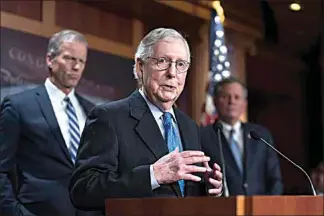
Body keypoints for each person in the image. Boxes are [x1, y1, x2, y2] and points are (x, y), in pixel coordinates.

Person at [69, 28, 223, 212]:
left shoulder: (189, 126)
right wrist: (153, 175)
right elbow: (83, 190)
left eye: (181, 64)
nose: (172, 73)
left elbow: (182, 193)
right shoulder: (109, 117)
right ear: (140, 67)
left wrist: (209, 189)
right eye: (163, 61)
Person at [0, 30, 99, 215]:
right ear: (49, 60)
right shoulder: (19, 106)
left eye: (81, 61)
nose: (76, 67)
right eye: (70, 58)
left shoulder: (93, 111)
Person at [200, 77, 283, 195]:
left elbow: (275, 180)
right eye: (225, 96)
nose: (231, 101)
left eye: (237, 97)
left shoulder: (260, 135)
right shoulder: (203, 136)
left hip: (259, 208)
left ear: (244, 104)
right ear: (214, 101)